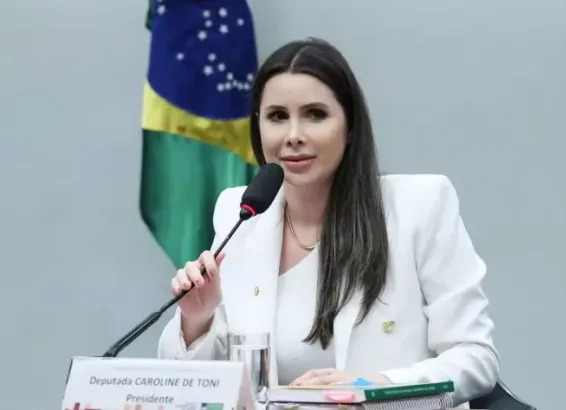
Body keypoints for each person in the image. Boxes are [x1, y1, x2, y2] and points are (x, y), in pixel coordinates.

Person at [157, 37, 500, 407]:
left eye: (315, 115)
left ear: (350, 126)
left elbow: (476, 357)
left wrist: (376, 387)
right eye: (277, 117)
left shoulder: (419, 206)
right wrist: (197, 320)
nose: (293, 136)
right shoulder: (240, 213)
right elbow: (203, 390)